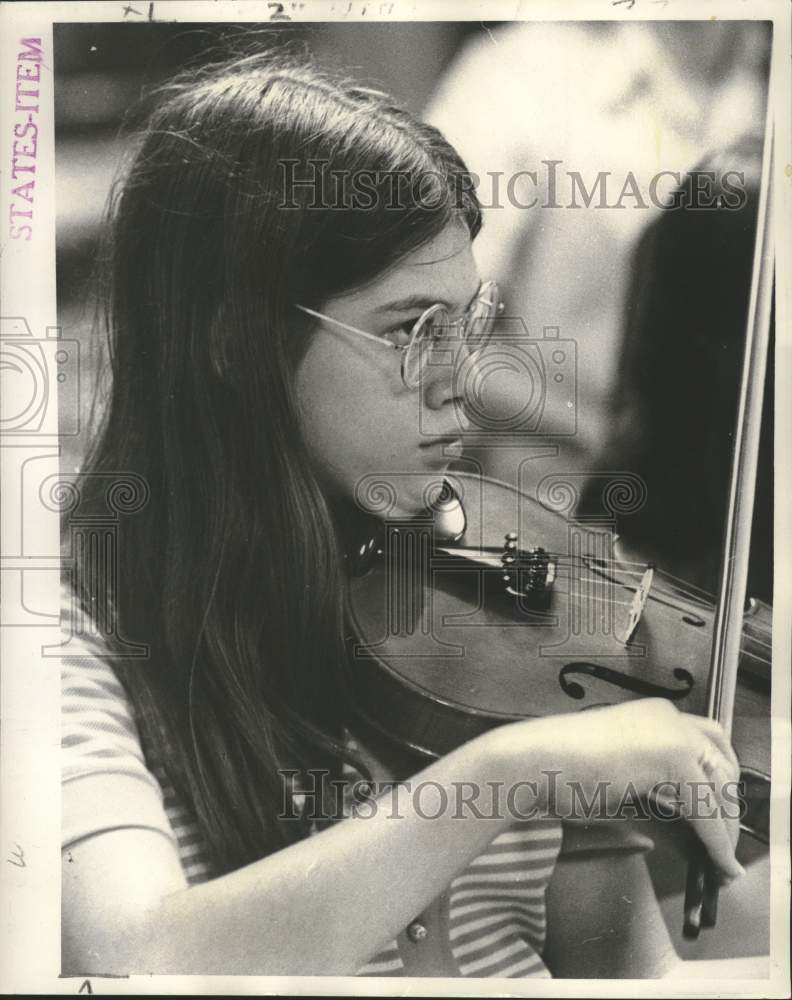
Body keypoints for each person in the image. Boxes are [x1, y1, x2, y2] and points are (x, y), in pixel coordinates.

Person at [61, 49, 743, 980]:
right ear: (234, 340)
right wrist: (514, 774)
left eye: (466, 323)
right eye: (410, 330)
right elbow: (133, 958)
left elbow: (627, 977)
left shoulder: (508, 614)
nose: (461, 380)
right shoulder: (72, 641)